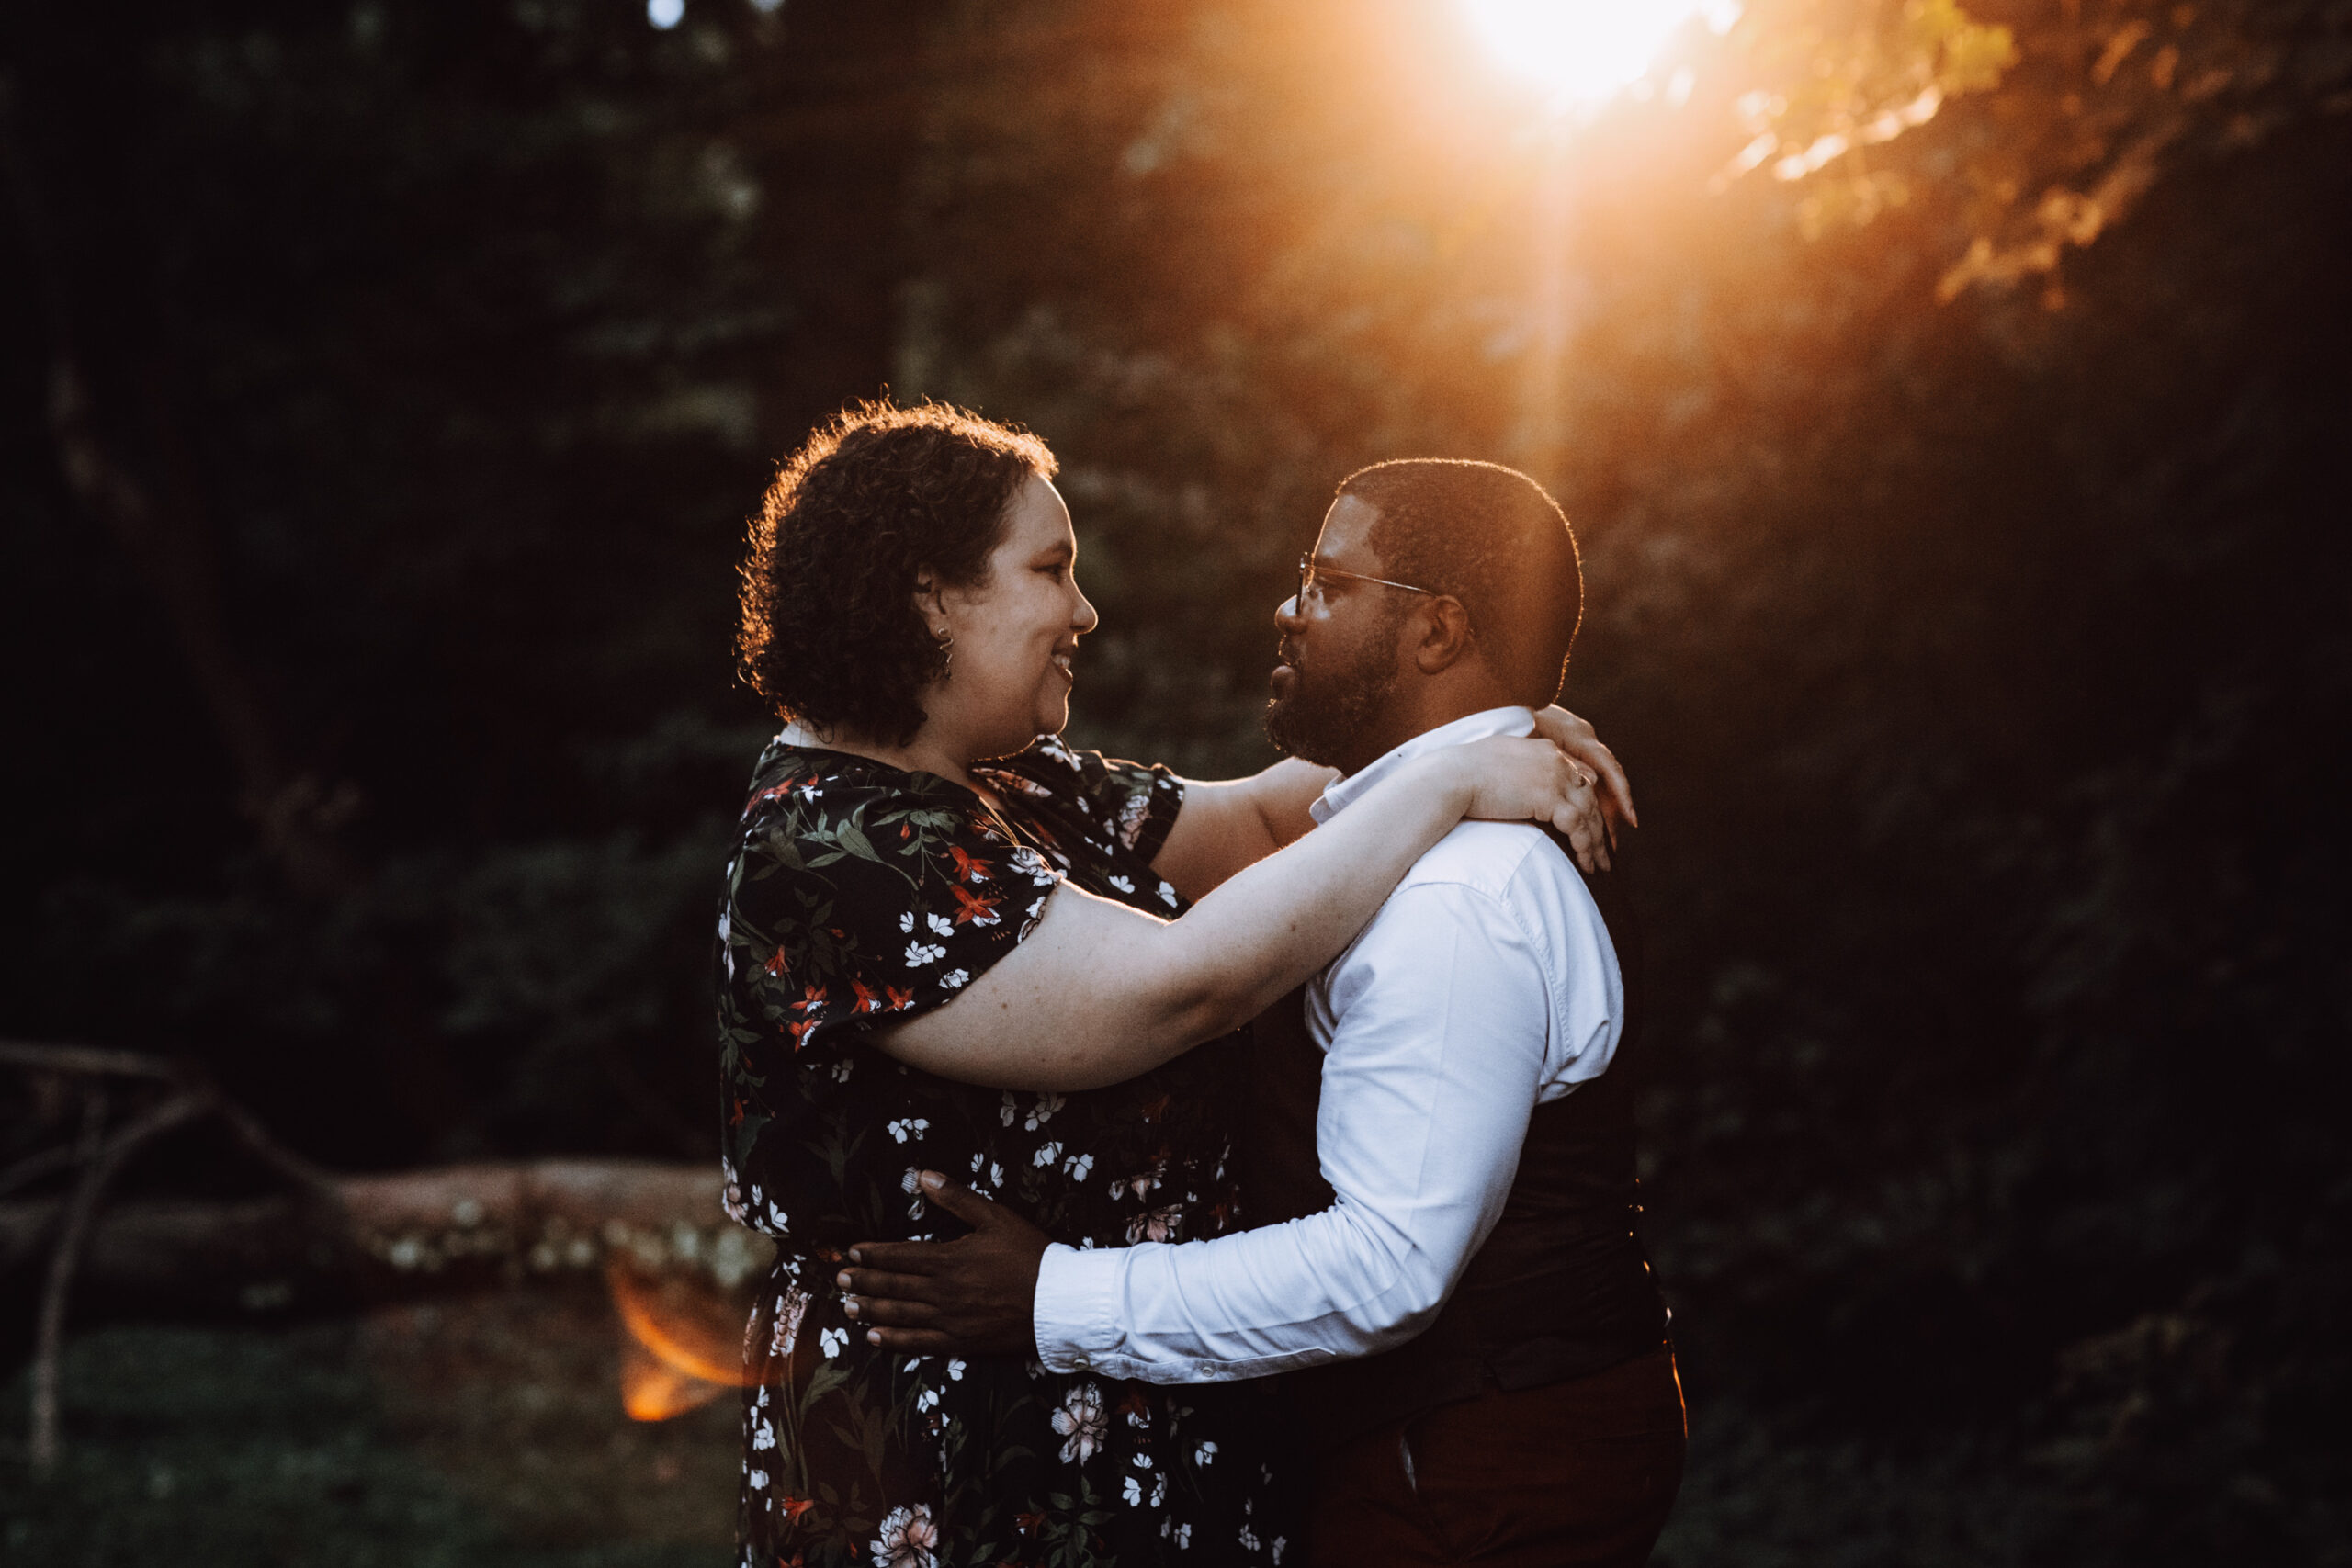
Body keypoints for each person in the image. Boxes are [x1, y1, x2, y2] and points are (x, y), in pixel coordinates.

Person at [719, 404, 1626, 1568]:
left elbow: (1253, 821)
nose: (1083, 613)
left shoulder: (1015, 781)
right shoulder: (834, 848)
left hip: (1139, 1418)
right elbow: (1172, 989)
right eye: (1050, 571)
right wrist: (1451, 778)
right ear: (929, 596)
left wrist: (1473, 708)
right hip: (950, 1453)